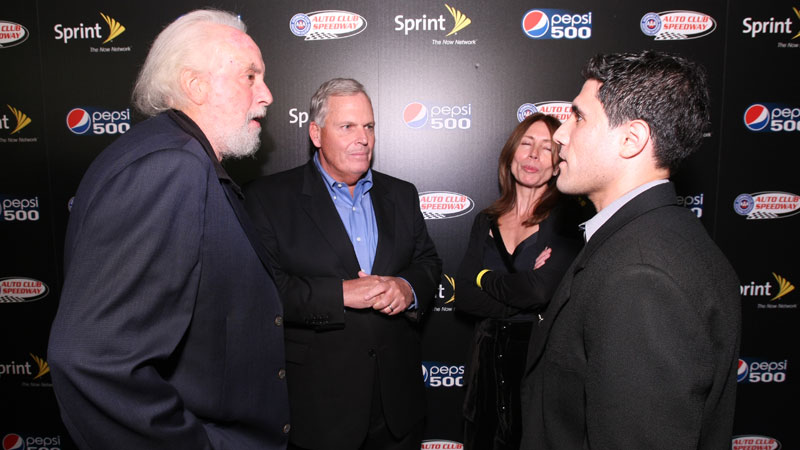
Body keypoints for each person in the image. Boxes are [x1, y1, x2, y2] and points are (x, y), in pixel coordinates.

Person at [47, 9, 290, 450]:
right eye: (250, 77)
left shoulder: (176, 156)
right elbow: (92, 359)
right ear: (195, 85)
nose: (267, 94)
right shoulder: (170, 166)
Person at [520, 50, 741, 450]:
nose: (560, 134)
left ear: (631, 139)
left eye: (579, 117)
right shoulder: (654, 236)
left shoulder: (641, 277)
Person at [243, 78, 442, 450]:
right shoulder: (268, 198)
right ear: (316, 134)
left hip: (398, 408)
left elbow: (427, 261)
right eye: (347, 126)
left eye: (368, 126)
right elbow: (262, 291)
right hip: (319, 409)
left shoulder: (401, 194)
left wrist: (407, 288)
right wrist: (340, 294)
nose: (363, 138)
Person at [455, 113, 583, 450]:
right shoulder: (485, 220)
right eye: (526, 144)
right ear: (511, 154)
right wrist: (525, 294)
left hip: (538, 363)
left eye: (547, 148)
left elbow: (540, 290)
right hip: (485, 365)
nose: (533, 155)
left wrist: (484, 277)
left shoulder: (566, 221)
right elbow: (464, 295)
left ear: (557, 165)